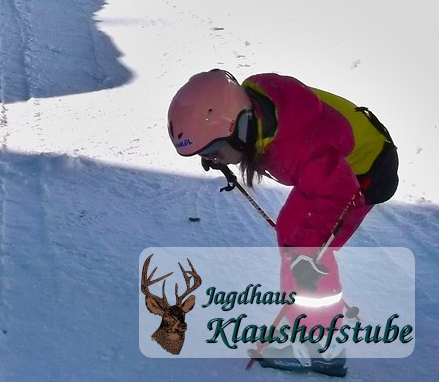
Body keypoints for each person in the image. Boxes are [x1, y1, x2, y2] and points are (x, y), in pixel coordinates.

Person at [167, 69, 398, 378]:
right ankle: (312, 318)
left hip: (365, 172)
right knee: (294, 237)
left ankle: (323, 348)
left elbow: (336, 190)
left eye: (213, 151)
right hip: (332, 169)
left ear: (238, 128)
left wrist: (306, 257)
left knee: (307, 257)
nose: (214, 160)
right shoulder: (254, 110)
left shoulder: (299, 148)